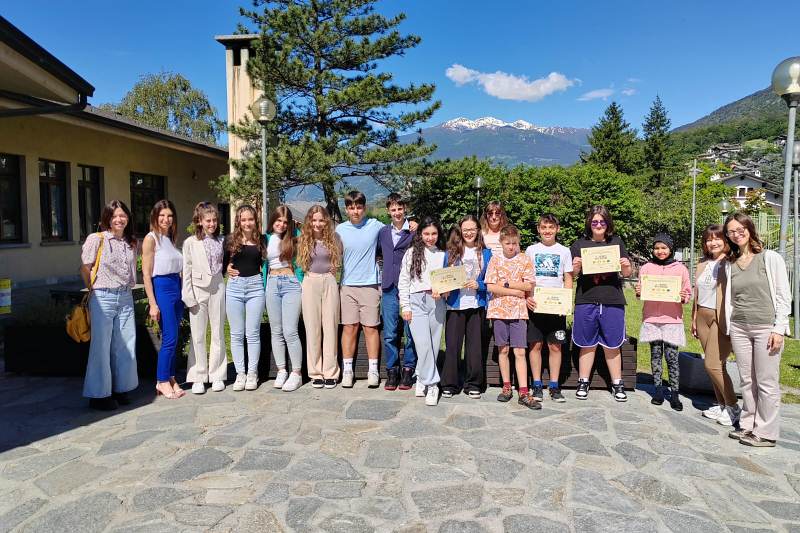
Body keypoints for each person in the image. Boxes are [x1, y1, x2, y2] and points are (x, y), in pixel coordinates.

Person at [723, 213, 790, 447]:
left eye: (740, 228)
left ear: (749, 229)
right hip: (740, 327)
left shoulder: (769, 258)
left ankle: (767, 432)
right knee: (747, 380)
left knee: (766, 381)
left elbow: (784, 295)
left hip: (766, 327)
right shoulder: (731, 263)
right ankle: (748, 425)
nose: (736, 233)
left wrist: (779, 328)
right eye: (731, 231)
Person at [80, 200, 139, 410]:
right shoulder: (96, 239)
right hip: (103, 296)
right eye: (115, 216)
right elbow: (85, 268)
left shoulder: (130, 242)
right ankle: (98, 395)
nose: (119, 219)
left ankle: (120, 388)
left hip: (125, 296)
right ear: (107, 218)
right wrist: (93, 290)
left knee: (125, 345)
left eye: (123, 215)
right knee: (101, 346)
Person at [570, 205, 632, 402]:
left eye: (602, 221)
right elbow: (572, 275)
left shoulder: (617, 242)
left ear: (608, 223)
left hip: (612, 299)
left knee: (612, 344)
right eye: (595, 221)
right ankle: (583, 381)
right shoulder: (579, 245)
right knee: (586, 344)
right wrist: (576, 268)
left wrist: (626, 266)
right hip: (586, 299)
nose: (598, 225)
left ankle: (617, 383)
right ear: (590, 223)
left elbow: (627, 273)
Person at [635, 233, 691, 411]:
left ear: (670, 249)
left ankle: (674, 393)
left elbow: (687, 292)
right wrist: (639, 291)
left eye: (664, 248)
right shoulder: (646, 268)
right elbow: (641, 290)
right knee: (656, 355)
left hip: (672, 320)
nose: (660, 251)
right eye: (657, 248)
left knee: (672, 357)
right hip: (652, 318)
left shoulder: (680, 268)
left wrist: (684, 296)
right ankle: (658, 390)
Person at [485, 224, 539, 409]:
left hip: (518, 311)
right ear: (501, 243)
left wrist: (507, 284)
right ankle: (506, 386)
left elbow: (528, 285)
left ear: (518, 243)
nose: (511, 246)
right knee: (503, 350)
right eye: (507, 243)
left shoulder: (525, 260)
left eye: (514, 243)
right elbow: (491, 286)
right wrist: (516, 290)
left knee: (520, 351)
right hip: (499, 311)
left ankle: (524, 391)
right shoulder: (495, 260)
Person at [692, 224, 740, 426]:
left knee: (712, 364)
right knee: (716, 366)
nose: (712, 242)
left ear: (725, 240)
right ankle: (722, 405)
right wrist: (693, 318)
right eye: (708, 239)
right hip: (702, 314)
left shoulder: (731, 263)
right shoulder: (702, 262)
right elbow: (697, 293)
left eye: (717, 238)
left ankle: (733, 406)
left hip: (721, 317)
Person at [336, 191, 385, 387]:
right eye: (351, 207)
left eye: (358, 207)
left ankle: (373, 370)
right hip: (347, 285)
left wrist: (411, 224)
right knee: (349, 327)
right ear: (346, 209)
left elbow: (396, 229)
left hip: (371, 285)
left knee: (371, 328)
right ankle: (347, 370)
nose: (355, 211)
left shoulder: (375, 226)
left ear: (364, 208)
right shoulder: (340, 229)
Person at [441, 215, 491, 399]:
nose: (469, 233)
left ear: (478, 230)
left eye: (472, 229)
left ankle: (474, 383)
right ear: (460, 232)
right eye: (465, 230)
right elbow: (442, 279)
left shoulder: (487, 253)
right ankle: (450, 383)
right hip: (455, 305)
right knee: (452, 346)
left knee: (474, 347)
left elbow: (492, 280)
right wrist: (444, 288)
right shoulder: (450, 253)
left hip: (476, 304)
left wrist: (481, 285)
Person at [524, 213, 573, 403]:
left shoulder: (564, 251)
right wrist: (528, 297)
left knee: (555, 346)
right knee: (535, 345)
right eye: (544, 227)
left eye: (551, 227)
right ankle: (536, 384)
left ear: (557, 229)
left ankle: (554, 385)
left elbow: (568, 278)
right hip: (536, 305)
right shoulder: (530, 250)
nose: (547, 231)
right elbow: (526, 277)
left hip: (556, 307)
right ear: (538, 229)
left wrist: (566, 301)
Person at [399, 216, 446, 406]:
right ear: (420, 234)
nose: (430, 237)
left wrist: (442, 291)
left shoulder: (444, 254)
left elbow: (449, 281)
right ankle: (433, 384)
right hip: (416, 301)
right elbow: (403, 281)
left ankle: (421, 375)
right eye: (426, 233)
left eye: (434, 233)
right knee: (422, 344)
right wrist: (406, 305)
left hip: (436, 303)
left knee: (434, 345)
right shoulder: (411, 253)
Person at [182, 202, 227, 394]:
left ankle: (217, 374)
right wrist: (189, 297)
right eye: (208, 220)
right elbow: (186, 271)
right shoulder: (190, 242)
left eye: (215, 220)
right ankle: (198, 375)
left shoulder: (222, 240)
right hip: (198, 290)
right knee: (198, 335)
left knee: (217, 333)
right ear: (199, 221)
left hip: (217, 287)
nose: (212, 224)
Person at [142, 199, 185, 399]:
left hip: (177, 286)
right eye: (162, 215)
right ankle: (161, 380)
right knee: (168, 338)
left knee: (175, 337)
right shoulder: (151, 239)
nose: (166, 219)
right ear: (155, 217)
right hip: (162, 287)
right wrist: (152, 302)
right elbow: (146, 273)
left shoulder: (170, 239)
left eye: (169, 215)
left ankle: (171, 376)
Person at [297, 205, 342, 389]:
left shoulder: (335, 238)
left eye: (321, 220)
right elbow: (298, 264)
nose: (317, 223)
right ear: (309, 221)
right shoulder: (303, 239)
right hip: (310, 281)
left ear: (326, 221)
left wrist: (334, 270)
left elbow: (338, 262)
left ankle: (330, 372)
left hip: (329, 281)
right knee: (313, 328)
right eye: (314, 220)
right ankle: (315, 372)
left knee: (330, 327)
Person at [224, 205, 266, 392]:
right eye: (244, 220)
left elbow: (266, 264)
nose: (247, 223)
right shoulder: (230, 241)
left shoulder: (262, 240)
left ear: (255, 220)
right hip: (235, 288)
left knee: (252, 333)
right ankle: (240, 373)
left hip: (256, 288)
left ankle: (252, 373)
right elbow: (223, 264)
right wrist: (226, 269)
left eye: (250, 219)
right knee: (236, 333)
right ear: (238, 222)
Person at [262, 205, 304, 392]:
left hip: (290, 283)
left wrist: (301, 284)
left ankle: (296, 373)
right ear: (273, 221)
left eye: (285, 222)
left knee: (290, 330)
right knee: (276, 330)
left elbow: (301, 263)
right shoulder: (266, 238)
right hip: (271, 283)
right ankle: (281, 370)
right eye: (278, 220)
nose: (281, 225)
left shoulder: (294, 238)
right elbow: (262, 265)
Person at [378, 193, 418, 391]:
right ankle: (392, 370)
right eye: (393, 209)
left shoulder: (413, 231)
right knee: (390, 333)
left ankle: (409, 369)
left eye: (400, 209)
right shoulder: (383, 232)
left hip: (409, 287)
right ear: (388, 211)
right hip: (388, 287)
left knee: (410, 332)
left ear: (405, 210)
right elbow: (378, 253)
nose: (397, 213)